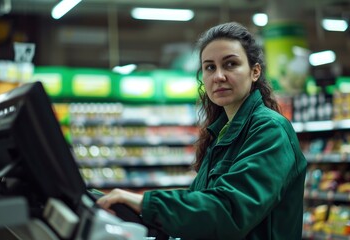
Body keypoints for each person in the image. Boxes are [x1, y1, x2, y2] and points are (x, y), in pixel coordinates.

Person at [97, 21, 307, 240]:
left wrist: (147, 204)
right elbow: (200, 201)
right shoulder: (221, 132)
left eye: (231, 64)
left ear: (255, 72)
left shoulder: (269, 129)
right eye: (210, 67)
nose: (218, 76)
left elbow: (229, 209)